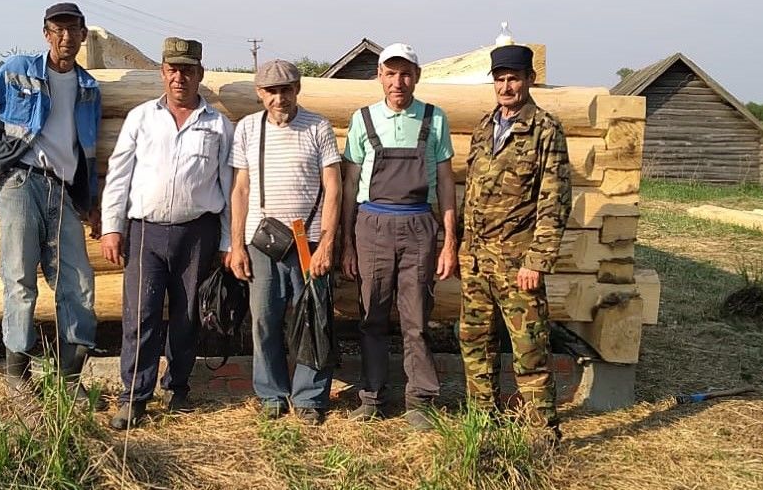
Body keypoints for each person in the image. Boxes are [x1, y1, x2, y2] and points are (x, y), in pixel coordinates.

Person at [0, 2, 101, 398]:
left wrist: (92, 201)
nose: (66, 37)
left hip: (64, 191)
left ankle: (69, 380)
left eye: (73, 30)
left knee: (79, 282)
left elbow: (88, 151)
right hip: (21, 181)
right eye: (58, 29)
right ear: (46, 33)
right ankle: (18, 375)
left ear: (84, 35)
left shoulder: (89, 89)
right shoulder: (18, 68)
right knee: (19, 278)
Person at [100, 37, 233, 430]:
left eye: (188, 70)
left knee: (187, 313)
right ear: (162, 72)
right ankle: (134, 396)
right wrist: (112, 228)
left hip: (198, 232)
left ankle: (178, 387)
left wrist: (227, 242)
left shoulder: (217, 125)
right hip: (146, 231)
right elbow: (119, 175)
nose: (180, 77)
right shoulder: (142, 118)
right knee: (140, 314)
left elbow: (227, 187)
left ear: (200, 75)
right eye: (173, 69)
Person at [340, 43, 458, 430]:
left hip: (418, 226)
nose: (398, 81)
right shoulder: (363, 119)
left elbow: (444, 181)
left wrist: (449, 240)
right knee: (372, 315)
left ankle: (419, 401)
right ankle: (372, 396)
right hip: (371, 225)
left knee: (416, 319)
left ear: (417, 77)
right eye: (390, 73)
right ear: (379, 76)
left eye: (405, 73)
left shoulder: (434, 118)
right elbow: (350, 182)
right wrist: (347, 242)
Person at [459, 43, 571, 443]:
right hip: (476, 263)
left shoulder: (544, 129)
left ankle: (543, 433)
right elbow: (472, 194)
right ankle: (483, 425)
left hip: (517, 264)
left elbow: (554, 199)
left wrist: (537, 261)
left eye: (514, 79)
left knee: (529, 350)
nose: (506, 87)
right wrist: (464, 250)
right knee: (475, 344)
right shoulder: (484, 127)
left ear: (529, 80)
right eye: (500, 79)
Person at [228, 59, 342, 425]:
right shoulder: (247, 128)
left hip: (308, 241)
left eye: (287, 89)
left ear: (297, 90)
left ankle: (309, 397)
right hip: (262, 242)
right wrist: (236, 244)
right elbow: (240, 190)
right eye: (272, 91)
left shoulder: (318, 126)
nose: (280, 98)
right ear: (260, 93)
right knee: (264, 320)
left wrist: (326, 243)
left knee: (313, 319)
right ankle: (272, 394)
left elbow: (334, 189)